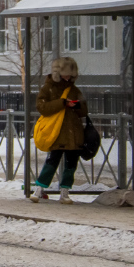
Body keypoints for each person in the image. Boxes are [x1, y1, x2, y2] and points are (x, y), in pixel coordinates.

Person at [31, 56, 88, 204]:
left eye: (70, 74)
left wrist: (77, 106)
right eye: (65, 74)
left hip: (73, 133)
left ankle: (65, 192)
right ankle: (39, 188)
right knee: (52, 161)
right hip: (56, 131)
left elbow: (83, 111)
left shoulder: (74, 90)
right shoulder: (48, 88)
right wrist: (62, 103)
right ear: (58, 73)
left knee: (71, 164)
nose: (68, 77)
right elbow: (42, 107)